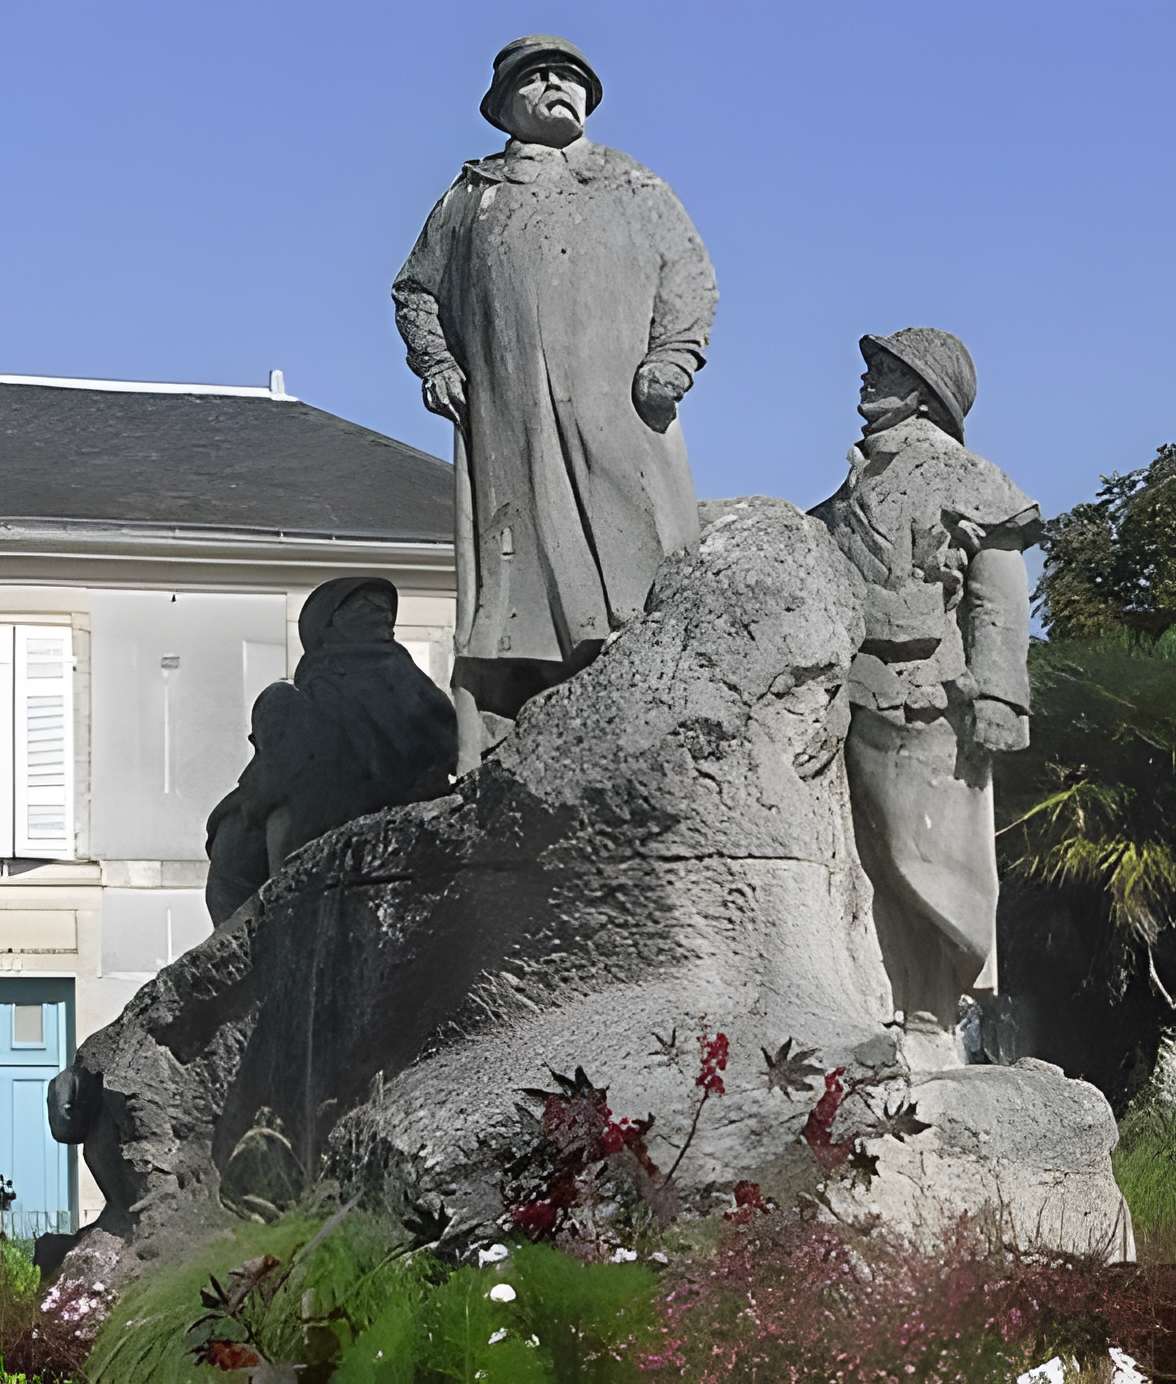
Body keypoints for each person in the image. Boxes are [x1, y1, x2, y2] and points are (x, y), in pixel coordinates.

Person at [393, 35, 717, 773]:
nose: (555, 87)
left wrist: (674, 355)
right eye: (536, 77)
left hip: (619, 415)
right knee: (521, 578)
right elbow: (415, 289)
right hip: (512, 417)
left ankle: (654, 695)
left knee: (640, 558)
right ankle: (516, 724)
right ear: (504, 104)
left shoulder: (634, 186)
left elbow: (691, 277)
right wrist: (436, 360)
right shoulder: (471, 196)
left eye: (569, 77)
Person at [813, 329, 1040, 1045]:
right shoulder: (856, 481)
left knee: (933, 867)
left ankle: (932, 1019)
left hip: (927, 699)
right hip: (849, 696)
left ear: (922, 392)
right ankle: (878, 1005)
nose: (865, 378)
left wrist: (1002, 698)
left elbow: (998, 597)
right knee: (866, 865)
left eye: (884, 369)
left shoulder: (966, 476)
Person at [205, 577, 457, 923]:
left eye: (384, 610)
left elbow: (442, 738)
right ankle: (251, 939)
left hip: (366, 796)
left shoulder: (402, 674)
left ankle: (280, 917)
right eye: (365, 607)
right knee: (235, 838)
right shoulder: (310, 685)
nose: (381, 614)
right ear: (329, 620)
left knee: (267, 818)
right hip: (310, 786)